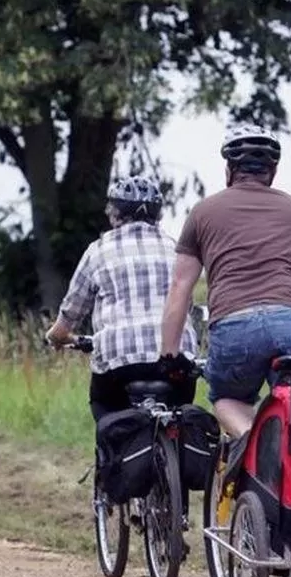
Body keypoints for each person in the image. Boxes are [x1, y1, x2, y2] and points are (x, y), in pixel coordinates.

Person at [159, 124, 291, 440]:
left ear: (229, 169)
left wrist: (169, 354)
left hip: (234, 326)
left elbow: (180, 288)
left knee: (228, 399)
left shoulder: (202, 212)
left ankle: (255, 446)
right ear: (272, 171)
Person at [45, 174, 200, 421]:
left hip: (118, 361)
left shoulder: (98, 250)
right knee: (179, 418)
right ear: (158, 215)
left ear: (114, 213)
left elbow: (71, 313)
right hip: (175, 359)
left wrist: (57, 337)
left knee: (105, 412)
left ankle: (109, 459)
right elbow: (186, 304)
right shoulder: (177, 249)